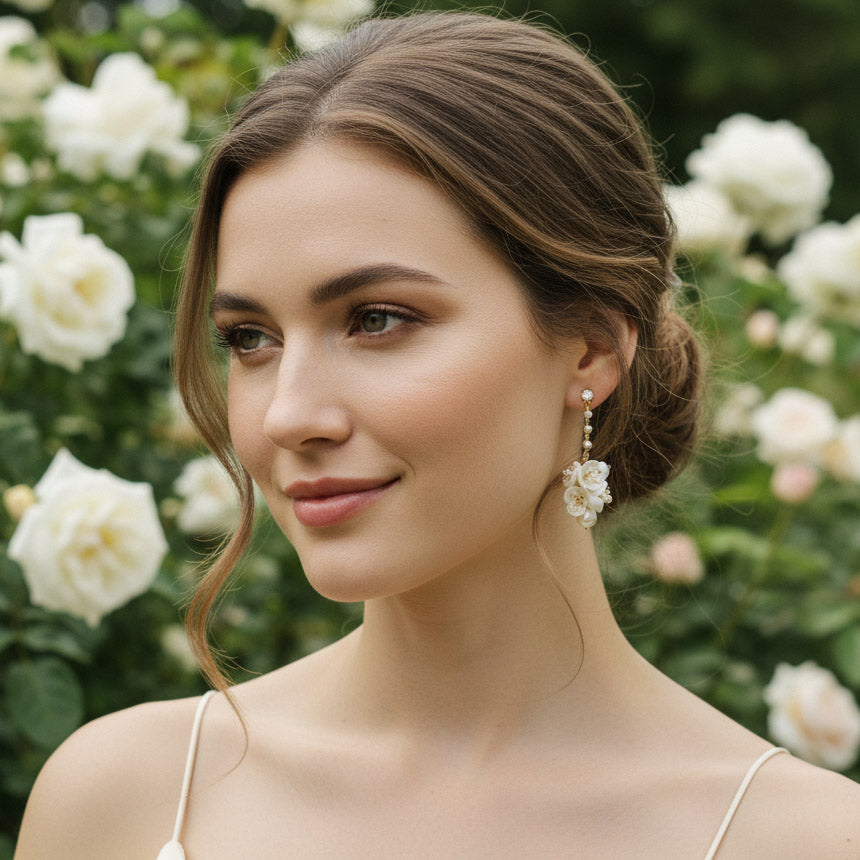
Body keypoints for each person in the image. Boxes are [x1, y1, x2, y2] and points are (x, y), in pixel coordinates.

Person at [15, 11, 860, 859]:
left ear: (593, 349)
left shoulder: (803, 841)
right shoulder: (124, 802)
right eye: (250, 339)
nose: (288, 416)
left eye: (377, 320)